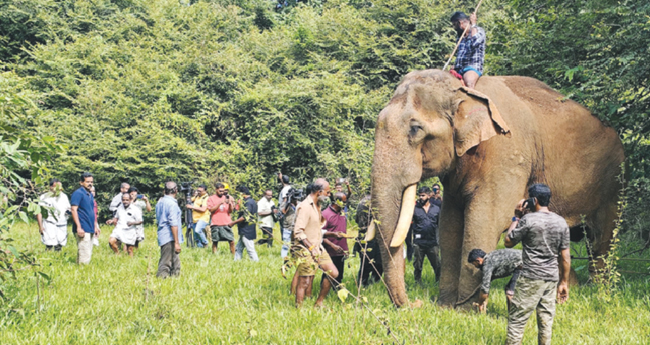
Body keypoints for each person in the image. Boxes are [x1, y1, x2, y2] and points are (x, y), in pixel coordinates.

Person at [503, 183, 571, 345]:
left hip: (530, 278)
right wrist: (564, 282)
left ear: (533, 200)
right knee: (546, 322)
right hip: (551, 278)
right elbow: (565, 256)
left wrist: (516, 217)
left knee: (517, 321)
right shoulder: (561, 222)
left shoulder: (527, 220)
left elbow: (507, 242)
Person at [293, 178, 339, 308]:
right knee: (305, 281)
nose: (329, 195)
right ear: (319, 192)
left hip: (318, 247)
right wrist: (311, 247)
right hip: (306, 248)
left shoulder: (318, 205)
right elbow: (298, 231)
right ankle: (299, 309)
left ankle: (319, 302)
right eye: (327, 192)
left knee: (333, 273)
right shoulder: (305, 206)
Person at [468, 248, 523, 312]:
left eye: (473, 263)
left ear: (478, 260)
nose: (474, 266)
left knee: (510, 293)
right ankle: (512, 316)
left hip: (525, 265)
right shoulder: (491, 256)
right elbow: (487, 285)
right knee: (508, 289)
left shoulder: (487, 264)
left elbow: (485, 289)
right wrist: (485, 301)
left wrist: (480, 304)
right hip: (526, 261)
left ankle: (515, 318)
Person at [410, 186, 441, 283]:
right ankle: (417, 283)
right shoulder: (415, 209)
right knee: (417, 265)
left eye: (423, 195)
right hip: (419, 242)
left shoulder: (436, 209)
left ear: (429, 196)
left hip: (432, 242)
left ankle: (438, 282)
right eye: (419, 196)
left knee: (437, 265)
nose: (421, 197)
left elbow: (440, 224)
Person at [70, 172, 101, 264]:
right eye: (87, 182)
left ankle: (79, 270)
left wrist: (95, 226)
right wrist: (79, 227)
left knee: (87, 251)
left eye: (91, 182)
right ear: (81, 182)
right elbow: (73, 210)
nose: (90, 184)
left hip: (90, 226)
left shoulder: (90, 194)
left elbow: (93, 211)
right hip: (82, 226)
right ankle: (83, 272)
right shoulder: (78, 193)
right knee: (84, 252)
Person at [450, 11, 485, 89]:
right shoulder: (460, 37)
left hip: (472, 67)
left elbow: (475, 43)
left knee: (469, 81)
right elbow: (460, 55)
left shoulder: (479, 30)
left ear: (460, 23)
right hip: (459, 69)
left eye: (455, 25)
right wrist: (455, 66)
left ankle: (472, 100)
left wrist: (473, 24)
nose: (454, 28)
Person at [155, 181, 183, 278]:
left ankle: (175, 278)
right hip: (169, 235)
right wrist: (176, 242)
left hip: (163, 233)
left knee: (175, 259)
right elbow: (173, 224)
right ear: (176, 190)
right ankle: (161, 278)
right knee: (166, 260)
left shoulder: (160, 202)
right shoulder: (172, 204)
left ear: (164, 191)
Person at [322, 192, 349, 289]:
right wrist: (333, 246)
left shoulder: (342, 213)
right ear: (337, 202)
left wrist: (346, 248)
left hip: (340, 251)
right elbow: (319, 234)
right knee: (329, 274)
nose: (345, 204)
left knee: (339, 275)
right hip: (329, 251)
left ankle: (336, 292)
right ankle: (325, 292)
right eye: (344, 202)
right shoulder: (325, 214)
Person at [355, 195, 383, 287]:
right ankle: (367, 282)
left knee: (366, 263)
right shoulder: (373, 202)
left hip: (363, 237)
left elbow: (356, 220)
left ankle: (365, 283)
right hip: (370, 237)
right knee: (371, 263)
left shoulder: (362, 201)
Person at [36, 178, 71, 251]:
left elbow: (68, 208)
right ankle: (47, 256)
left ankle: (57, 256)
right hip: (49, 222)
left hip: (62, 222)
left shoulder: (64, 196)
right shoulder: (44, 197)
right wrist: (40, 226)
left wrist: (68, 212)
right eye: (56, 186)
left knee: (60, 242)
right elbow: (39, 212)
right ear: (51, 187)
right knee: (49, 242)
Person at [231, 186, 259, 262]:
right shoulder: (251, 201)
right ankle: (236, 261)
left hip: (246, 229)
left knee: (250, 248)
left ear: (242, 194)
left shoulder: (248, 203)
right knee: (239, 247)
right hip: (245, 229)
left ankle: (256, 262)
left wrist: (233, 222)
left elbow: (245, 216)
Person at [207, 183, 236, 255]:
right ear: (216, 190)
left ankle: (234, 255)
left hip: (226, 222)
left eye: (223, 191)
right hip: (216, 223)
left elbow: (230, 211)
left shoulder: (227, 197)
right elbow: (211, 210)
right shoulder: (211, 199)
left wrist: (229, 204)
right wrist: (220, 203)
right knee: (215, 241)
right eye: (220, 191)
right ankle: (215, 255)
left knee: (231, 241)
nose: (222, 192)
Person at [186, 184, 210, 248]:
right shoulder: (197, 196)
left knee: (198, 230)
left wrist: (192, 207)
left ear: (205, 191)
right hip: (195, 219)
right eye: (198, 190)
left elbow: (203, 209)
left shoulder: (206, 198)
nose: (198, 192)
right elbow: (189, 200)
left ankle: (205, 243)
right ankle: (200, 249)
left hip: (203, 218)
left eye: (200, 191)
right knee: (196, 237)